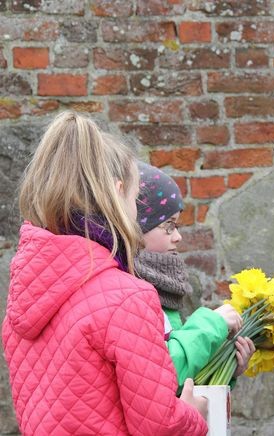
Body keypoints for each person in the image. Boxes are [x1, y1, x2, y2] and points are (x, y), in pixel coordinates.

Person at [2, 111, 208, 435]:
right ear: (117, 190)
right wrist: (194, 416)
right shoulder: (128, 297)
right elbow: (160, 426)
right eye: (135, 197)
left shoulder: (23, 300)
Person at [135, 162, 255, 390]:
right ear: (137, 228)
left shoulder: (164, 283)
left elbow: (180, 383)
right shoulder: (133, 287)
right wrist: (212, 324)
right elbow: (162, 374)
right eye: (168, 226)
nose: (178, 236)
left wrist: (226, 366)